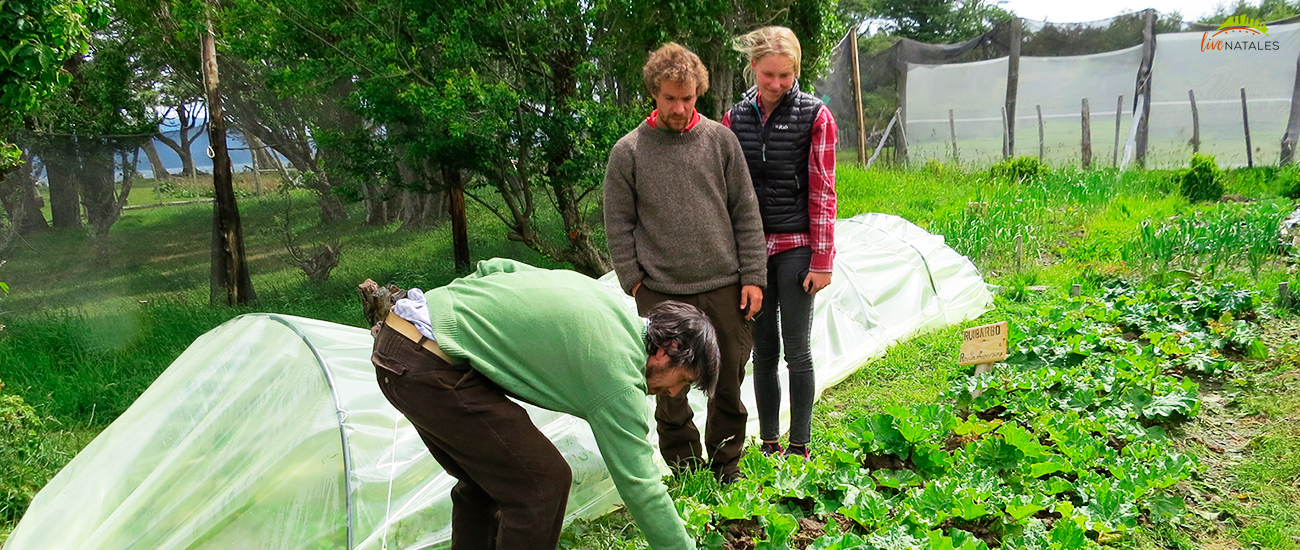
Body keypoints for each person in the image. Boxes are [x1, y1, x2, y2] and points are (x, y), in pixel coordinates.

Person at [368, 258, 719, 550]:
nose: (675, 393)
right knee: (542, 484)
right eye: (684, 380)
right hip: (426, 365)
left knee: (486, 483)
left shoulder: (607, 303)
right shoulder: (619, 377)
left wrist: (456, 312)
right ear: (667, 349)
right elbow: (641, 486)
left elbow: (495, 268)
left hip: (401, 343)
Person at [603, 42, 768, 483]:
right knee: (668, 390)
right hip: (662, 292)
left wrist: (753, 276)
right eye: (670, 98)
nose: (679, 108)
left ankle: (725, 468)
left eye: (688, 98)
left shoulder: (720, 141)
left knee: (727, 384)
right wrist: (634, 282)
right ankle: (685, 468)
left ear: (699, 94)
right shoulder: (630, 151)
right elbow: (618, 222)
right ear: (654, 93)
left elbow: (745, 212)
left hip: (724, 285)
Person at [722, 26, 838, 460]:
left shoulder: (815, 116)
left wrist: (823, 259)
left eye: (785, 76)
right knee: (763, 350)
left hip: (796, 245)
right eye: (768, 74)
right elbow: (729, 191)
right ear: (753, 68)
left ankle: (800, 445)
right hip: (752, 249)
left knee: (797, 349)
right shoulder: (734, 119)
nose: (775, 85)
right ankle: (769, 442)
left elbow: (823, 191)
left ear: (796, 72)